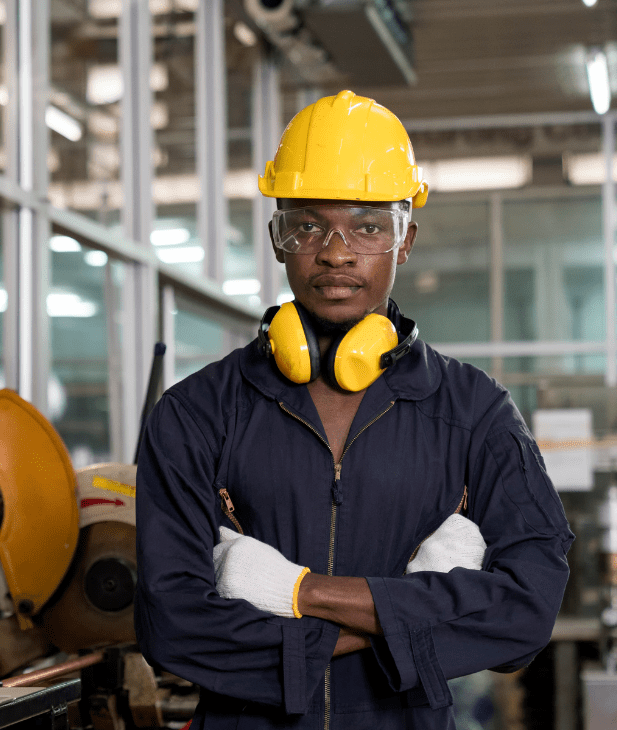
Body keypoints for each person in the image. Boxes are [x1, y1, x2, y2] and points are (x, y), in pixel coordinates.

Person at [134, 90, 574, 730]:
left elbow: (527, 607)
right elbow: (170, 624)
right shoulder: (196, 413)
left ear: (405, 240)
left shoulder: (475, 412)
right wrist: (408, 618)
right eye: (308, 225)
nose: (336, 252)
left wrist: (292, 590)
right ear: (278, 238)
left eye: (368, 226)